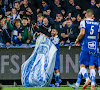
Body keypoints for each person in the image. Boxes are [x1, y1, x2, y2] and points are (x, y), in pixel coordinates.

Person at [68, 9, 99, 89]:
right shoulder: (97, 24)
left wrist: (77, 40)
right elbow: (98, 36)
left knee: (82, 66)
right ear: (92, 15)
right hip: (94, 46)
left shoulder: (83, 22)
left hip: (86, 46)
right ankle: (92, 84)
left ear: (86, 15)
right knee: (92, 66)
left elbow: (82, 33)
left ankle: (87, 79)